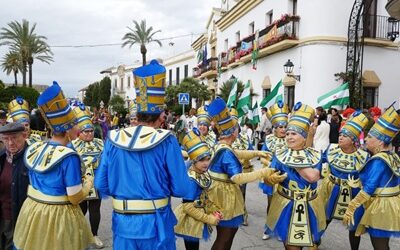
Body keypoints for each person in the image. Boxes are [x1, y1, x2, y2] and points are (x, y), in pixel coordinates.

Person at [95, 60, 191, 249]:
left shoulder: (113, 138)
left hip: (123, 224)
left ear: (137, 113)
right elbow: (181, 188)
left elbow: (100, 185)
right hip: (157, 225)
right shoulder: (167, 140)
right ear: (161, 115)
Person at [13, 81, 94, 250]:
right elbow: (74, 197)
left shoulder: (36, 148)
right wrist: (88, 184)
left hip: (32, 212)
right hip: (58, 216)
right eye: (75, 123)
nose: (79, 127)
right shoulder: (69, 157)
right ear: (68, 128)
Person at [207, 97, 286, 250]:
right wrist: (264, 172)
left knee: (230, 231)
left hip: (223, 193)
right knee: (224, 236)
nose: (239, 130)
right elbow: (238, 178)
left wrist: (257, 152)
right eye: (237, 128)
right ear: (232, 132)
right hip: (223, 197)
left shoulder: (223, 146)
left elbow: (238, 153)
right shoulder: (225, 151)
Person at [265, 102, 326, 250]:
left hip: (310, 205)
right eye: (287, 134)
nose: (289, 137)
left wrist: (293, 160)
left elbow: (313, 177)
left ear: (304, 137)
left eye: (294, 134)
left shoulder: (315, 155)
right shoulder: (279, 155)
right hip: (287, 206)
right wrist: (270, 179)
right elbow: (268, 177)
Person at [343, 105, 400, 250]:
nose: (366, 140)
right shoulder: (393, 156)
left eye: (369, 137)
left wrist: (352, 206)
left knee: (380, 245)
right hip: (391, 203)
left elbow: (369, 188)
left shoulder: (378, 160)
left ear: (380, 141)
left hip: (381, 206)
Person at [319, 111, 370, 250]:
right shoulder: (332, 149)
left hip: (353, 193)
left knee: (353, 225)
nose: (340, 137)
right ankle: (314, 242)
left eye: (345, 136)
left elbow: (367, 177)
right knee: (325, 218)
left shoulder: (364, 156)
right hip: (332, 190)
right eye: (340, 134)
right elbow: (318, 163)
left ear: (353, 139)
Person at [174, 129, 222, 250]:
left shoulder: (202, 173)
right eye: (201, 160)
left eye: (208, 159)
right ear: (194, 161)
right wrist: (209, 218)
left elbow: (205, 196)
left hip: (198, 217)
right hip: (190, 220)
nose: (206, 163)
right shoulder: (191, 179)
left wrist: (213, 210)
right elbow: (188, 207)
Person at [71, 103, 105, 249]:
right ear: (80, 132)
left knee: (95, 209)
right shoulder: (73, 144)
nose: (89, 134)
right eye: (86, 131)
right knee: (80, 210)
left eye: (91, 131)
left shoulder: (100, 143)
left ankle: (94, 234)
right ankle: (78, 233)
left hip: (96, 181)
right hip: (80, 181)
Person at [260, 100, 289, 240]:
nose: (283, 129)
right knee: (271, 204)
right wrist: (270, 165)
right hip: (271, 176)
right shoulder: (269, 139)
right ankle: (268, 228)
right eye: (280, 127)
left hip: (286, 177)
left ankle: (280, 229)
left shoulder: (291, 140)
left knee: (284, 204)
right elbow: (262, 156)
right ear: (275, 128)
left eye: (285, 126)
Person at [0, 123, 29, 250]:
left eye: (14, 138)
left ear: (24, 135)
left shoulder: (33, 158)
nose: (10, 143)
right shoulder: (1, 157)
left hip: (21, 217)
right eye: (6, 139)